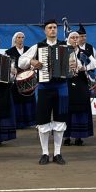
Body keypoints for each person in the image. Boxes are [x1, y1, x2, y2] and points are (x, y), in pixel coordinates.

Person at [18, 20, 69, 165]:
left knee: (60, 121)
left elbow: (74, 64)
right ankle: (45, 153)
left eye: (54, 27)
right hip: (44, 88)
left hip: (62, 87)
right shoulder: (38, 46)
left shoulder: (65, 46)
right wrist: (32, 61)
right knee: (43, 121)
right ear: (45, 31)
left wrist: (73, 65)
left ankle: (58, 153)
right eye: (50, 28)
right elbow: (21, 61)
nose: (53, 30)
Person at [65, 30, 95, 146]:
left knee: (81, 108)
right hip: (67, 83)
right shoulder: (64, 52)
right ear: (69, 39)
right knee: (67, 109)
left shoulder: (84, 53)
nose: (75, 39)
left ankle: (79, 136)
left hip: (81, 83)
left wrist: (84, 67)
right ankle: (66, 136)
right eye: (73, 37)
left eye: (77, 38)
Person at [6, 32, 35, 129]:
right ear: (15, 39)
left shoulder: (29, 50)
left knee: (28, 97)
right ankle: (17, 122)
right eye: (19, 37)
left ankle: (29, 121)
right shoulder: (9, 51)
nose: (21, 39)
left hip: (28, 78)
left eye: (22, 37)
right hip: (16, 80)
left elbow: (33, 62)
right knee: (16, 98)